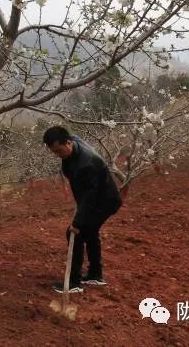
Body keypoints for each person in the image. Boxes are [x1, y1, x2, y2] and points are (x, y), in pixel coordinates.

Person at [43, 125, 122, 293]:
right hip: (99, 197)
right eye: (54, 152)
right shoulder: (74, 144)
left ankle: (74, 283)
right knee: (91, 233)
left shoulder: (85, 165)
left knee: (76, 233)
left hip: (104, 202)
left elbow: (89, 198)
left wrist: (77, 223)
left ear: (69, 143)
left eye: (59, 151)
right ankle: (95, 274)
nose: (58, 155)